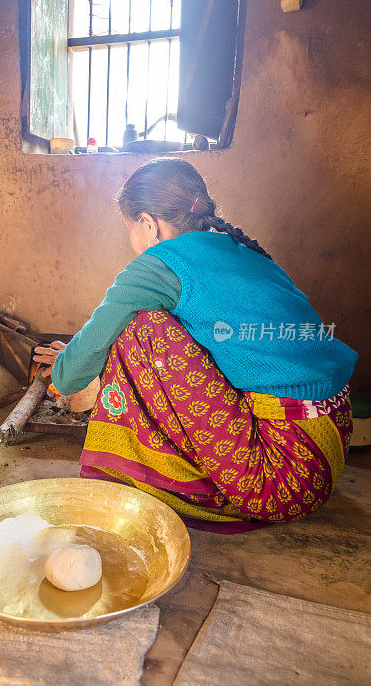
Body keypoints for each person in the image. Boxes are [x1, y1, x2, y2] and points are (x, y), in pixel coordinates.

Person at [33, 158, 357, 533]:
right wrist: (90, 353)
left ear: (149, 224)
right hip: (326, 455)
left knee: (142, 326)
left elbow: (70, 378)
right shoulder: (243, 251)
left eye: (130, 229)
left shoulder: (159, 265)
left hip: (278, 479)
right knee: (162, 328)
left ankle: (158, 479)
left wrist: (73, 360)